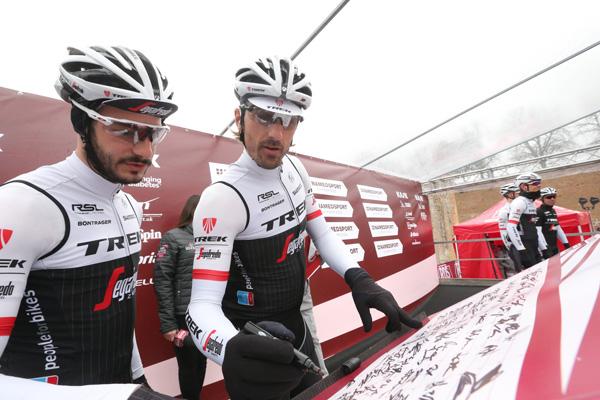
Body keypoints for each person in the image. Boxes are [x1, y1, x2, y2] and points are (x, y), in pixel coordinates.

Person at [186, 56, 423, 400]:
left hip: (298, 331)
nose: (275, 133)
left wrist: (360, 279)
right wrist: (230, 349)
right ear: (239, 117)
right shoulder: (222, 199)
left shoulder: (295, 169)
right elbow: (201, 306)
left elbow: (322, 232)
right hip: (257, 351)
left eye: (288, 121)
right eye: (263, 117)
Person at [0, 46, 178, 400]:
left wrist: (138, 379)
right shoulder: (22, 206)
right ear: (81, 122)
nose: (144, 151)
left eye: (152, 134)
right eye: (125, 129)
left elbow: (118, 316)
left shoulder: (128, 205)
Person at [153, 195, 207, 400]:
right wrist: (168, 323)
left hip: (207, 313)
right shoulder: (173, 237)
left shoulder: (213, 237)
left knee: (202, 361)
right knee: (188, 364)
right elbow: (162, 280)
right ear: (192, 210)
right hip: (182, 315)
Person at [506, 172, 548, 269]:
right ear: (524, 187)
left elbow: (535, 228)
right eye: (535, 183)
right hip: (524, 245)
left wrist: (544, 248)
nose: (539, 186)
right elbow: (511, 226)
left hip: (533, 244)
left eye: (539, 183)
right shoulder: (520, 202)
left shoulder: (531, 202)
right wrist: (521, 249)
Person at [537, 187, 570, 257]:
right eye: (549, 197)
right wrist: (544, 248)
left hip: (554, 247)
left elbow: (557, 228)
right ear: (542, 199)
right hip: (544, 248)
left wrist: (566, 243)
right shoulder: (538, 211)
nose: (552, 199)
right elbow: (537, 231)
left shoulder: (553, 211)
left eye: (554, 196)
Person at [497, 183, 522, 275]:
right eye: (517, 193)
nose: (519, 195)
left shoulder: (521, 206)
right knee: (520, 271)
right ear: (510, 194)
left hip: (526, 241)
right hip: (515, 244)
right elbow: (503, 230)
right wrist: (510, 246)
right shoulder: (504, 211)